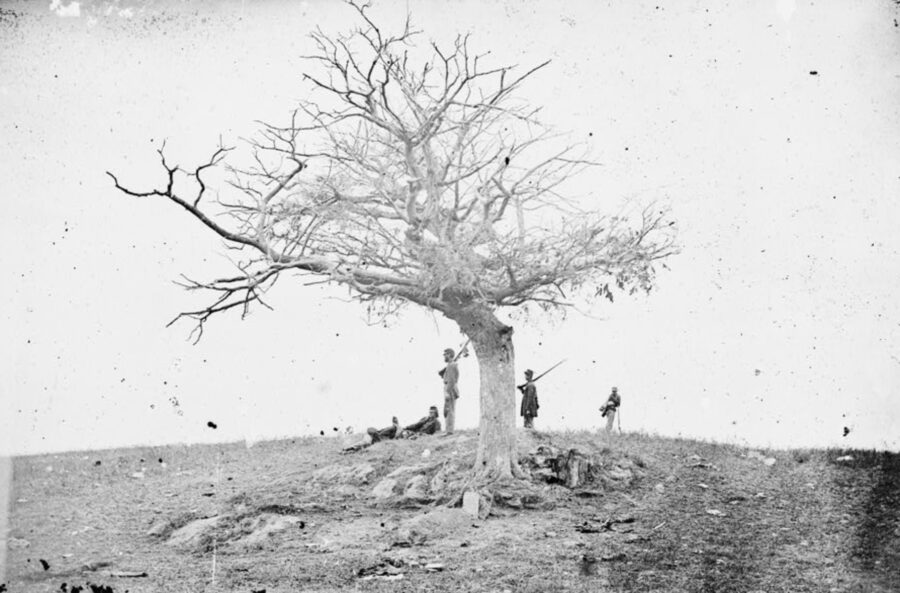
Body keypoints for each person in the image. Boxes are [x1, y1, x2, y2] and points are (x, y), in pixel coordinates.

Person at [440, 347, 460, 434]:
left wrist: (447, 392)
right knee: (449, 409)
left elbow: (451, 380)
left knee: (449, 409)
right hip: (450, 387)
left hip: (450, 388)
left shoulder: (451, 365)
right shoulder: (451, 365)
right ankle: (449, 430)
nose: (444, 356)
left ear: (449, 355)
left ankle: (449, 431)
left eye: (445, 354)